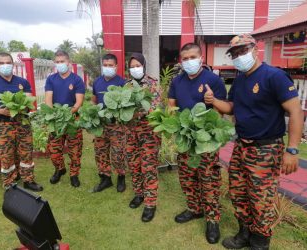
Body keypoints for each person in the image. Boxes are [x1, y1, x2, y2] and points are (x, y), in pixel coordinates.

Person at [204, 34, 304, 250]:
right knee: (238, 192)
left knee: (261, 199)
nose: (239, 56)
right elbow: (231, 108)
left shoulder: (274, 76)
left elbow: (295, 111)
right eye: (235, 54)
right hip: (241, 147)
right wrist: (213, 101)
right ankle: (244, 233)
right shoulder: (239, 80)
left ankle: (260, 242)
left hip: (266, 148)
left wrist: (292, 150)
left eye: (242, 51)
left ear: (255, 49)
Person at [168, 43, 227, 244]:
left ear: (201, 58)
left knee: (209, 180)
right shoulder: (177, 81)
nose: (189, 61)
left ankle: (213, 220)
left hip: (206, 142)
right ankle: (194, 209)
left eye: (193, 57)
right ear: (181, 61)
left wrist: (212, 102)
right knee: (187, 176)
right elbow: (171, 106)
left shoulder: (213, 80)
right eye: (185, 58)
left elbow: (221, 113)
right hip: (186, 139)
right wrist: (172, 120)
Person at [0, 52, 43, 191]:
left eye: (8, 62)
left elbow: (28, 101)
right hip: (3, 124)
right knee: (6, 155)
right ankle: (9, 183)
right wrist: (3, 111)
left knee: (26, 152)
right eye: (2, 63)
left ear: (13, 64)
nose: (5, 66)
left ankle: (28, 180)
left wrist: (21, 109)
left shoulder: (22, 82)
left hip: (22, 123)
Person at [124, 52, 161, 222]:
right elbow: (122, 110)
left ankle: (150, 203)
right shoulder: (127, 86)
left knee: (148, 167)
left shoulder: (152, 83)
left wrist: (137, 111)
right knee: (134, 164)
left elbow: (155, 108)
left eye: (137, 65)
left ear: (143, 66)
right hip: (131, 133)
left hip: (148, 133)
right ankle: (139, 194)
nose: (134, 69)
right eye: (132, 66)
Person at [45, 50, 85, 187]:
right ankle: (59, 169)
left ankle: (74, 174)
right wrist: (53, 115)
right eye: (57, 62)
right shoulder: (51, 79)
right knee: (54, 150)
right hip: (56, 120)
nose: (60, 64)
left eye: (62, 61)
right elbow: (48, 99)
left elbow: (79, 102)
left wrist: (68, 114)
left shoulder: (77, 80)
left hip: (72, 119)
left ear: (68, 62)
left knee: (75, 151)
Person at [91, 53, 126, 193]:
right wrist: (93, 112)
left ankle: (121, 177)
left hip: (116, 125)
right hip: (100, 124)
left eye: (110, 65)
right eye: (105, 65)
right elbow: (94, 100)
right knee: (100, 152)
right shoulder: (97, 82)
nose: (107, 68)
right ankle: (105, 179)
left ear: (116, 66)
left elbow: (125, 105)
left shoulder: (122, 83)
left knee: (118, 153)